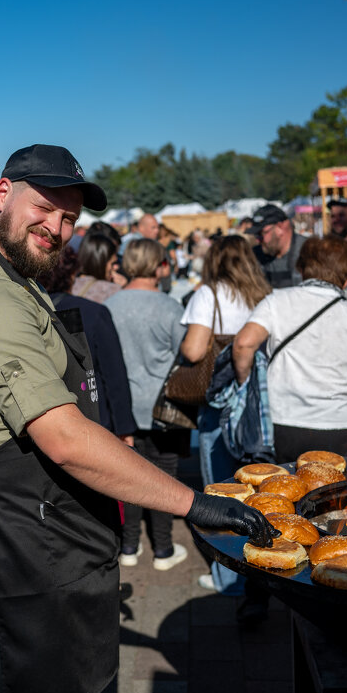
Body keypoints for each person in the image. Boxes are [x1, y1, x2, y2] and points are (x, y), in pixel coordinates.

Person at [0, 143, 277, 693]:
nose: (56, 227)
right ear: (2, 194)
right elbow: (64, 438)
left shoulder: (13, 278)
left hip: (35, 537)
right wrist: (193, 502)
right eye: (44, 207)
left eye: (68, 217)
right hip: (2, 551)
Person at [180, 235, 271, 593]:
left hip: (219, 405)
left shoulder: (209, 294)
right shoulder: (264, 296)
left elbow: (193, 350)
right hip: (257, 402)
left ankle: (229, 578)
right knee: (256, 484)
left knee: (220, 492)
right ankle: (261, 564)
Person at [234, 235, 347, 461]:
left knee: (279, 493)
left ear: (300, 268)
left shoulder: (276, 302)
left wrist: (245, 385)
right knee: (332, 493)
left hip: (282, 420)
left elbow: (243, 343)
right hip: (338, 425)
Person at [106, 238, 190, 571]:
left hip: (123, 407)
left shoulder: (111, 305)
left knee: (127, 479)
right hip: (163, 406)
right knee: (164, 480)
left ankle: (129, 546)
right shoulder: (171, 307)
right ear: (159, 266)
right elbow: (187, 353)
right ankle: (164, 550)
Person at [38, 246, 136, 440]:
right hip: (93, 420)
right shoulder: (91, 312)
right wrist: (124, 429)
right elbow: (114, 375)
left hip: (43, 421)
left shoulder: (26, 308)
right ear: (73, 274)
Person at [246, 204, 306, 288]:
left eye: (263, 233)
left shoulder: (307, 252)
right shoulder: (255, 256)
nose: (258, 240)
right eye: (257, 235)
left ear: (280, 228)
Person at [71, 232, 122, 303]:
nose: (116, 267)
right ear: (100, 261)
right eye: (113, 263)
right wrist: (124, 289)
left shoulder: (67, 285)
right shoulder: (111, 290)